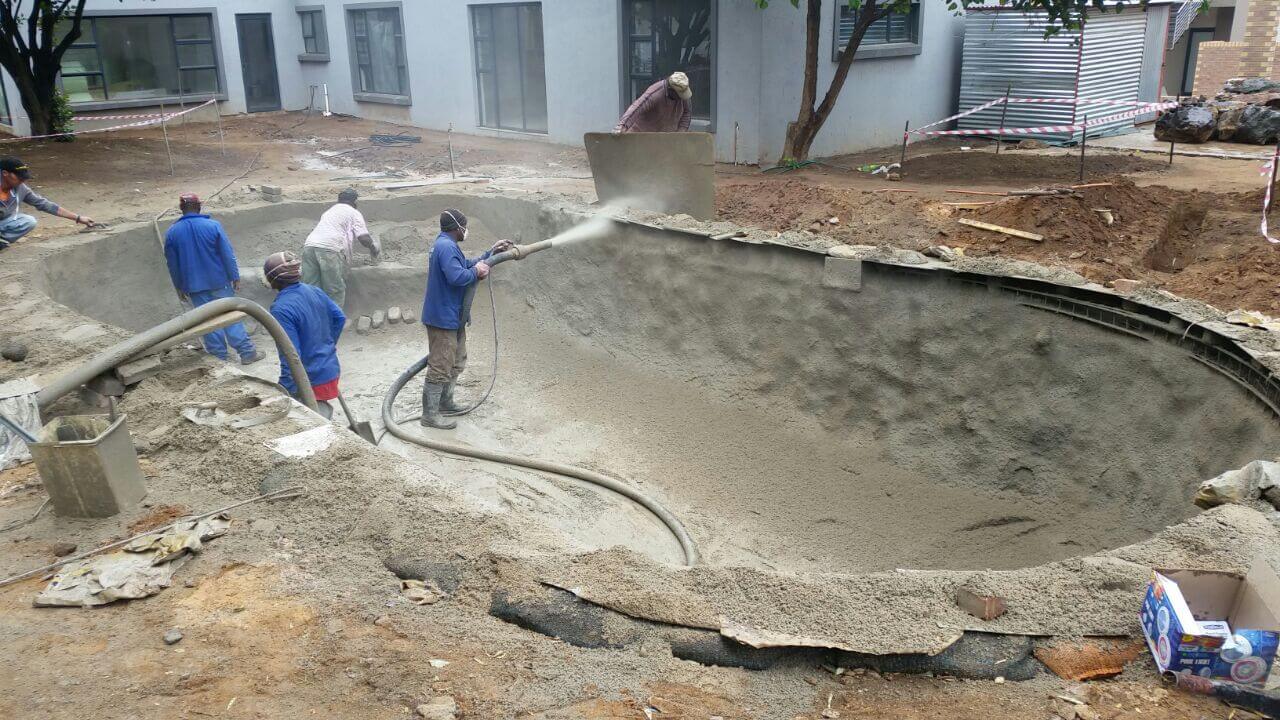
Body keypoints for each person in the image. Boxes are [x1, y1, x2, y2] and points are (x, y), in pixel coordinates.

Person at [419, 209, 511, 429]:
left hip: (452, 317)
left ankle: (446, 403)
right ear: (456, 228)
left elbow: (466, 264)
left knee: (456, 360)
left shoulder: (447, 245)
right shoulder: (446, 247)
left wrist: (490, 253)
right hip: (442, 318)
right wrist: (477, 272)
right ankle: (430, 415)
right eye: (464, 226)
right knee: (440, 364)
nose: (466, 230)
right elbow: (457, 276)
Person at [163, 193, 265, 365]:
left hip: (193, 286)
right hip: (219, 282)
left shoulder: (172, 232)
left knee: (207, 321)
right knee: (230, 316)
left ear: (181, 209)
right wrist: (234, 276)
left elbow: (172, 264)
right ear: (199, 206)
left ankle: (219, 359)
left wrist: (179, 287)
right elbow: (227, 253)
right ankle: (247, 353)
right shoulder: (213, 226)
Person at [264, 251, 345, 420]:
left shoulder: (281, 309)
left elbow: (291, 355)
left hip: (311, 379)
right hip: (331, 369)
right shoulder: (314, 290)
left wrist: (284, 389)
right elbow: (339, 318)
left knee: (306, 419)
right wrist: (328, 344)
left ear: (272, 280)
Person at [301, 188, 380, 308]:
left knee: (311, 288)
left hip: (309, 247)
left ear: (339, 200)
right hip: (329, 250)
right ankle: (334, 324)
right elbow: (364, 238)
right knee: (335, 290)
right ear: (354, 203)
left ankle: (313, 321)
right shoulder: (353, 213)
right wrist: (373, 247)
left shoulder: (328, 212)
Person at [0, 156, 95, 249]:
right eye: (19, 177)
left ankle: (2, 241)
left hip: (3, 222)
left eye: (23, 177)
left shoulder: (21, 188)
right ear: (5, 173)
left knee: (28, 221)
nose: (23, 180)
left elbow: (44, 204)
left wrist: (78, 218)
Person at [614, 72, 692, 133]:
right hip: (642, 134)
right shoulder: (656, 93)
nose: (681, 98)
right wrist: (623, 125)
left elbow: (687, 113)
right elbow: (637, 107)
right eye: (679, 94)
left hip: (663, 138)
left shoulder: (683, 92)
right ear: (670, 89)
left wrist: (681, 133)